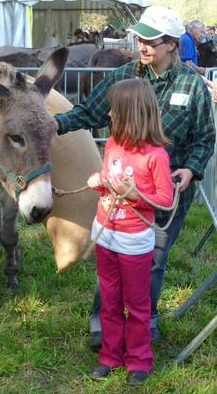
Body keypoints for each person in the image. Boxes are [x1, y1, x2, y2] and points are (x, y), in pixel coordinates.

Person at [54, 5, 215, 349]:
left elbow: (205, 138)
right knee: (110, 255)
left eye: (151, 40)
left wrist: (191, 169)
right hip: (119, 194)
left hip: (166, 194)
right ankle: (103, 319)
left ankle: (145, 321)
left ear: (171, 44)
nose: (142, 46)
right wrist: (53, 124)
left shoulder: (193, 85)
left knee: (153, 260)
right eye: (140, 38)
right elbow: (88, 111)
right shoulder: (124, 77)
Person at [86, 78, 174, 384]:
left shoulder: (156, 155)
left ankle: (139, 359)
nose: (109, 114)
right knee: (109, 298)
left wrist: (134, 194)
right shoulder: (112, 144)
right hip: (105, 231)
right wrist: (100, 180)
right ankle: (110, 355)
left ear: (131, 112)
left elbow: (165, 199)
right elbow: (108, 177)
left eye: (114, 109)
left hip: (133, 239)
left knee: (136, 304)